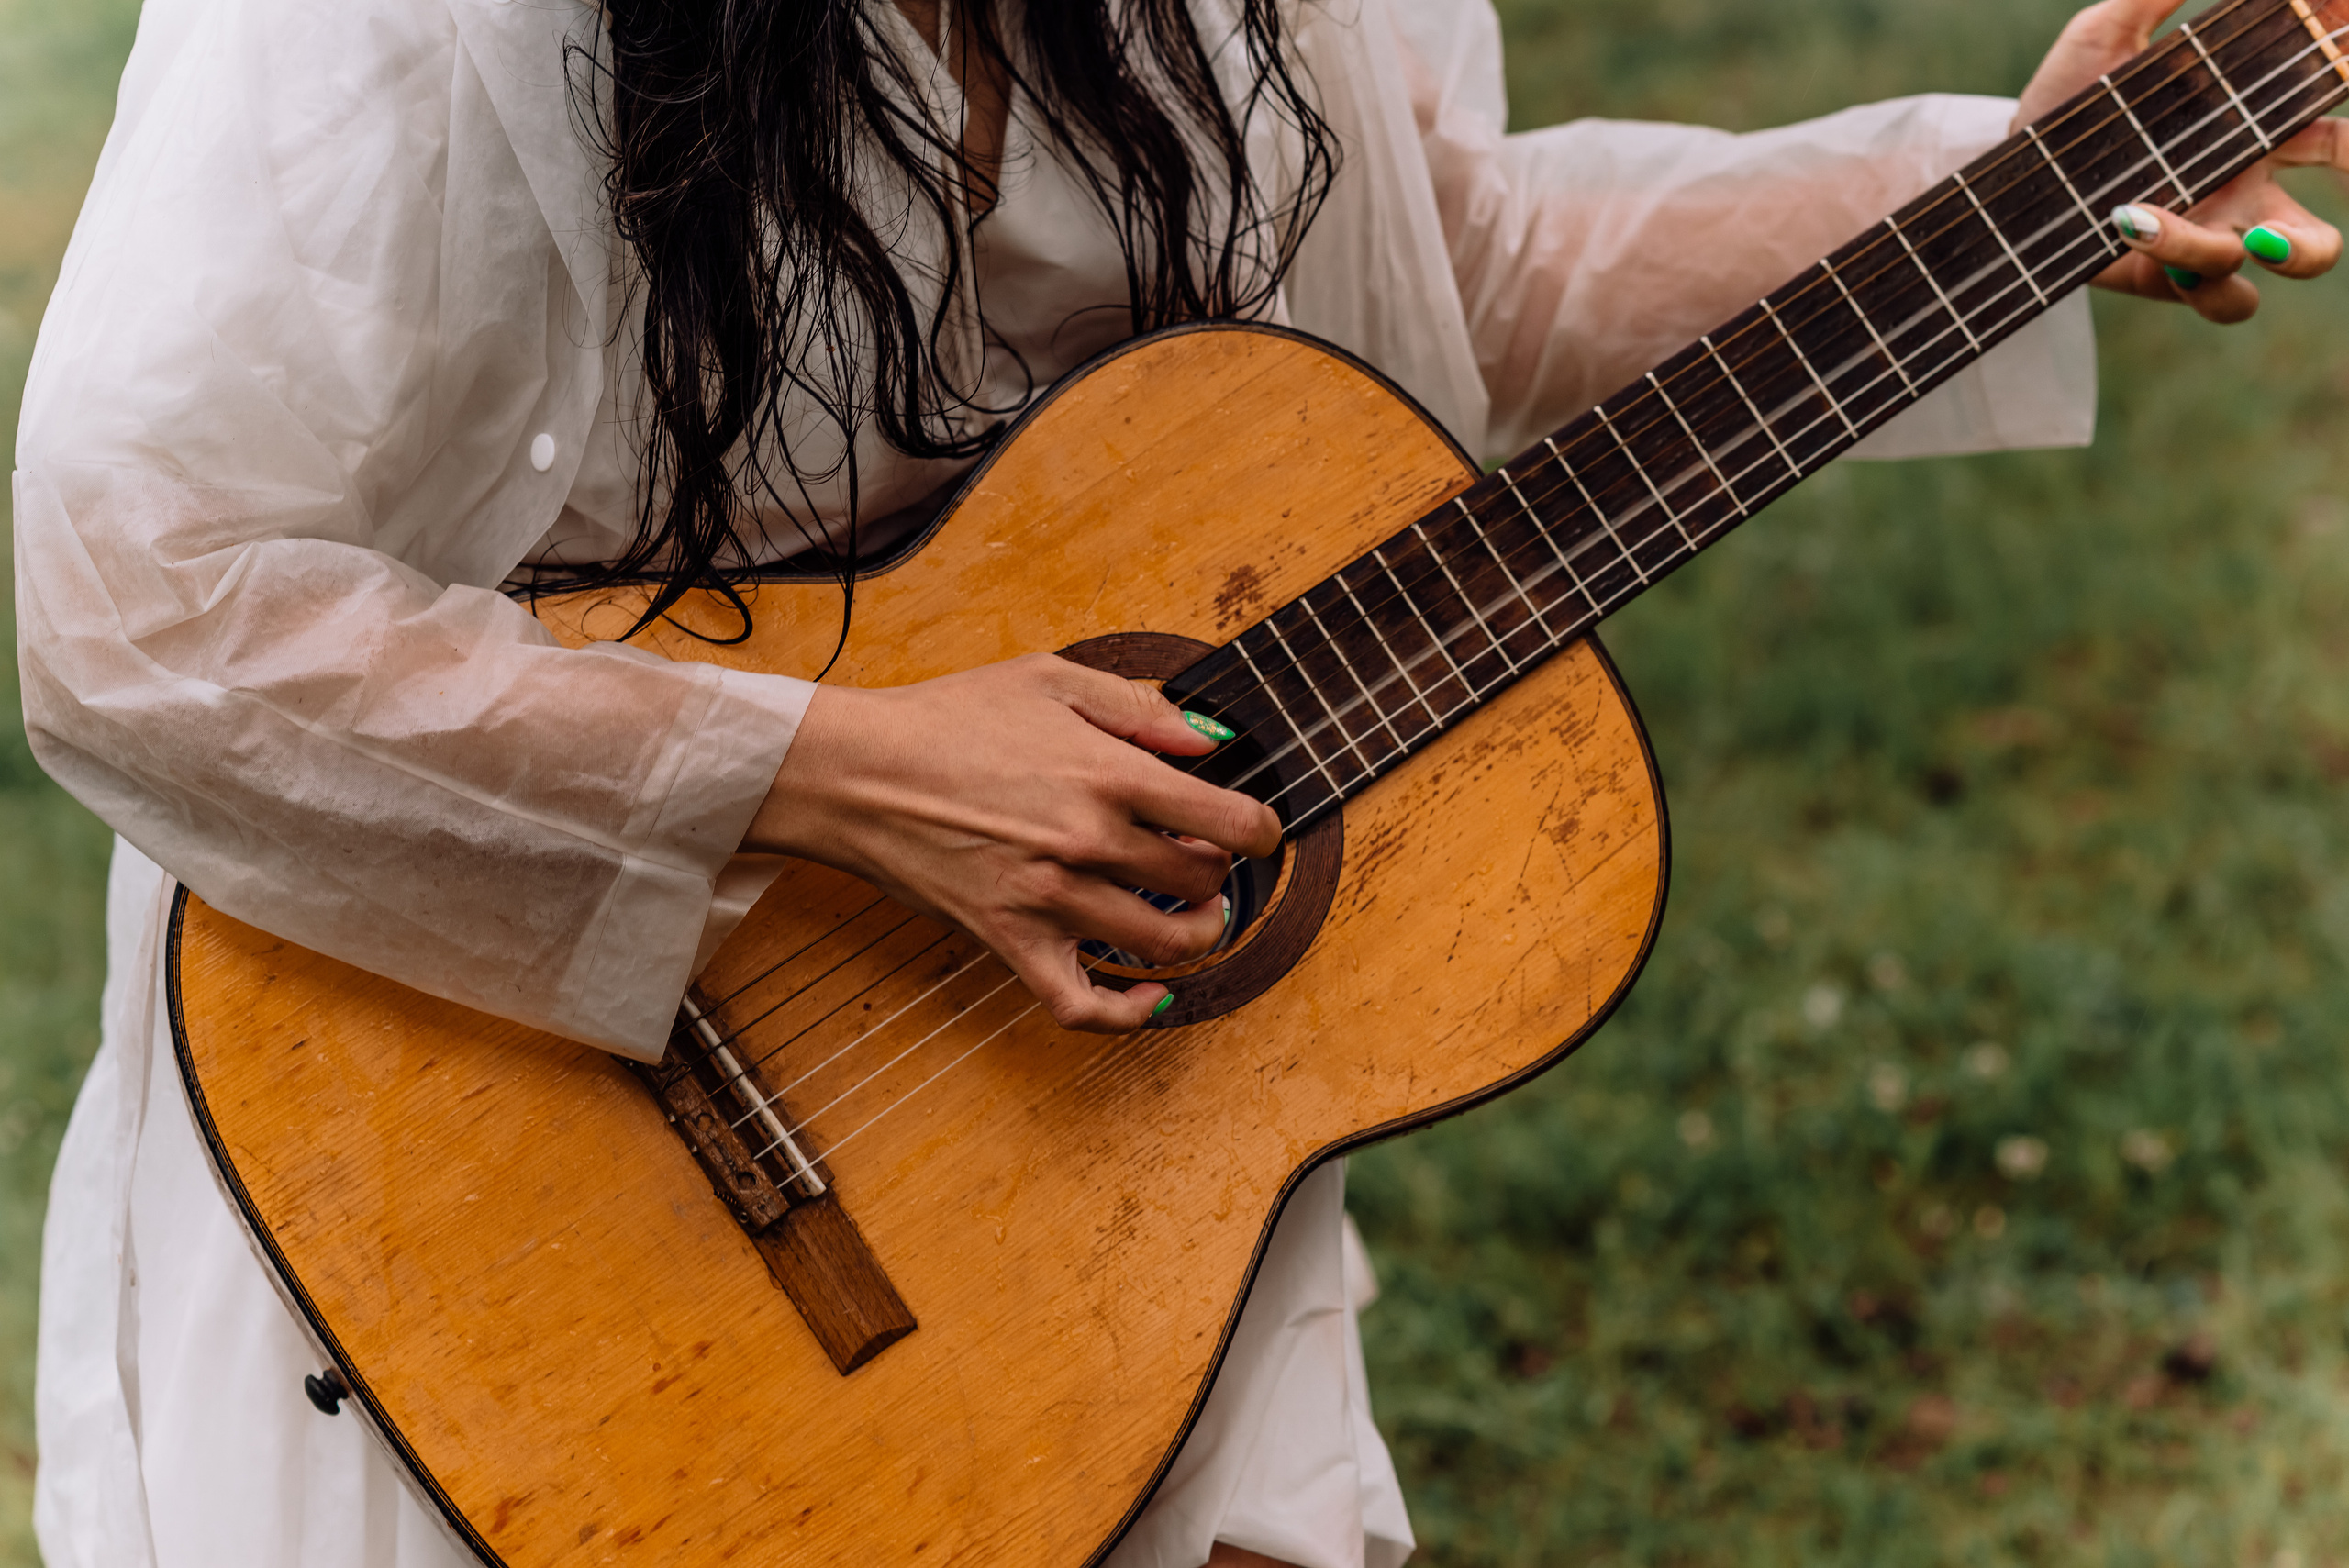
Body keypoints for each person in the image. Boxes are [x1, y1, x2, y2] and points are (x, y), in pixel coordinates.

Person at [14, 0, 2345, 1559]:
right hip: (513, 1112)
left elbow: (1455, 270)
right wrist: (838, 770)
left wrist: (2016, 187)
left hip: (1066, 1161)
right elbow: (128, 593)